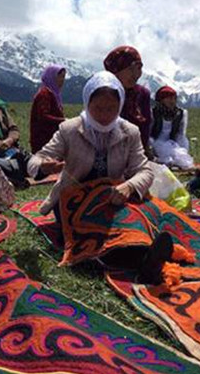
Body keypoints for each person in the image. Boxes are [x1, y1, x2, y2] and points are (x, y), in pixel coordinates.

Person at [26, 72, 173, 283]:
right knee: (100, 227)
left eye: (111, 109)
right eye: (98, 108)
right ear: (87, 103)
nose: (105, 115)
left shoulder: (129, 132)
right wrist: (43, 167)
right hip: (73, 199)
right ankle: (140, 259)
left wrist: (129, 187)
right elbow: (36, 160)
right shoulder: (69, 129)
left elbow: (144, 170)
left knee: (141, 213)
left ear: (120, 105)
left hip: (112, 195)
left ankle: (144, 252)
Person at [103, 46, 153, 158]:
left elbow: (145, 130)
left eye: (139, 68)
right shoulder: (102, 93)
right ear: (116, 69)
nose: (136, 74)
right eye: (131, 69)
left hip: (135, 154)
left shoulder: (142, 94)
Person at [150, 85, 194, 170]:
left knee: (180, 156)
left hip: (172, 142)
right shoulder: (153, 112)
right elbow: (148, 132)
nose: (172, 101)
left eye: (174, 98)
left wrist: (182, 148)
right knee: (168, 159)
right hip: (156, 141)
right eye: (169, 98)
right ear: (161, 100)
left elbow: (181, 134)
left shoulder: (180, 113)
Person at [30, 64, 66, 153]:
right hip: (43, 140)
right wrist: (64, 121)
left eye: (64, 77)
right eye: (60, 77)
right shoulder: (45, 94)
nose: (63, 80)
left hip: (50, 138)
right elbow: (43, 117)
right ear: (52, 77)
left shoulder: (53, 94)